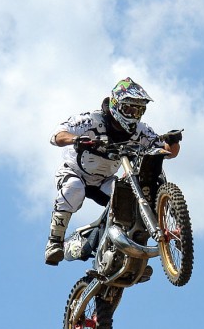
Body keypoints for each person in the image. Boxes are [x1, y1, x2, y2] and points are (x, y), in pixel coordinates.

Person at [45, 77, 181, 266]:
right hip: (75, 172)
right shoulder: (91, 120)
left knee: (131, 199)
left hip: (104, 180)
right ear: (116, 105)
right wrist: (76, 140)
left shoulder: (140, 130)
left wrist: (173, 141)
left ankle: (129, 257)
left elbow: (167, 152)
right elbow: (57, 135)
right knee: (74, 188)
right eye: (129, 109)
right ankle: (55, 242)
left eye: (138, 111)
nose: (133, 115)